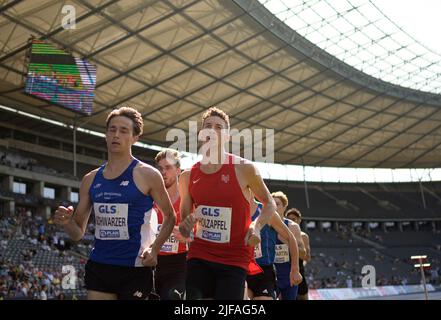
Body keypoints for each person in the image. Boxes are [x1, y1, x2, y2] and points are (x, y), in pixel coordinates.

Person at [54, 106, 176, 300]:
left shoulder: (148, 175)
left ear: (135, 137)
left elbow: (170, 216)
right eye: (112, 129)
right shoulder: (90, 179)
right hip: (100, 266)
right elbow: (77, 233)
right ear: (106, 134)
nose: (116, 135)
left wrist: (155, 248)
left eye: (123, 130)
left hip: (135, 267)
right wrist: (67, 222)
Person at [179, 106, 279, 300]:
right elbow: (185, 218)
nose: (213, 130)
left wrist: (256, 226)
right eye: (208, 126)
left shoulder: (245, 169)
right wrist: (185, 226)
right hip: (200, 254)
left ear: (227, 136)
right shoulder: (188, 176)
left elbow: (269, 203)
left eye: (219, 127)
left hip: (234, 257)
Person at [246, 197, 302, 300]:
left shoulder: (266, 211)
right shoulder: (234, 209)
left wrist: (295, 269)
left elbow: (291, 238)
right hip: (241, 269)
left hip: (264, 271)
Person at [153, 149, 188, 300]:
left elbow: (202, 232)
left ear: (178, 170)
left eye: (168, 168)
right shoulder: (150, 198)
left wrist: (189, 236)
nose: (163, 172)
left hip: (179, 265)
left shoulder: (188, 199)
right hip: (152, 263)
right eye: (160, 168)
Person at [272, 191, 306, 300]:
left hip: (289, 275)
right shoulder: (264, 225)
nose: (274, 206)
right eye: (272, 203)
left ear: (284, 207)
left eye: (277, 204)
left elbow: (303, 254)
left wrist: (288, 241)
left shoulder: (293, 227)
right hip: (270, 275)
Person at [286, 207, 311, 300]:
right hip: (285, 271)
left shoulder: (303, 236)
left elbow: (307, 258)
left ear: (299, 220)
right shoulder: (281, 233)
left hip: (299, 270)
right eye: (289, 219)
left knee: (303, 297)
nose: (291, 221)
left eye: (294, 219)